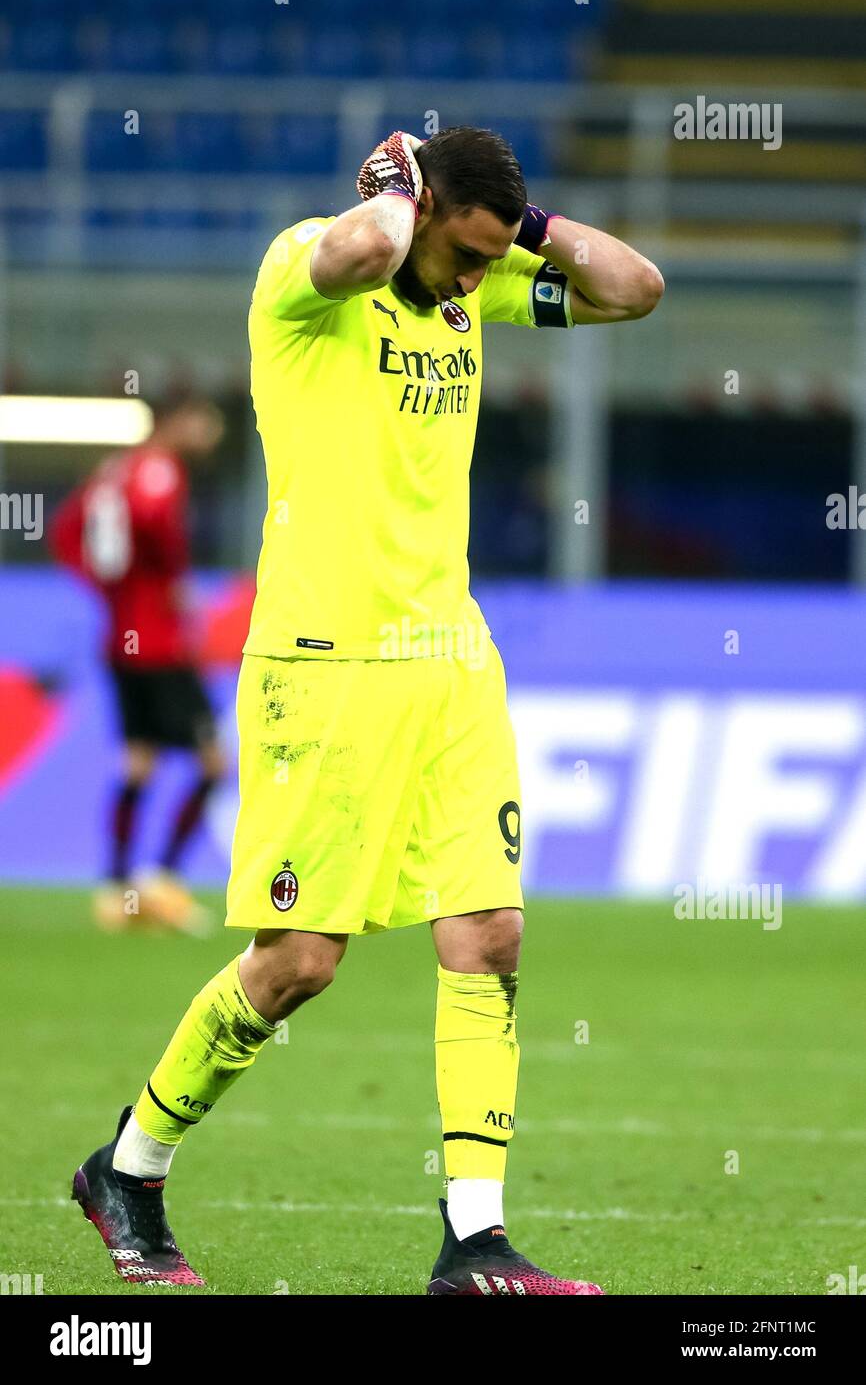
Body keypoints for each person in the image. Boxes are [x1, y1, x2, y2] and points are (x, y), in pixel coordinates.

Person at [71, 128, 663, 1293]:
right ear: (418, 202)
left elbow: (632, 288)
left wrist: (521, 232)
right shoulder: (308, 274)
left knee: (488, 933)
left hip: (450, 659)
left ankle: (474, 1240)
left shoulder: (473, 282)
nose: (472, 275)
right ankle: (128, 1167)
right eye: (463, 248)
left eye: (490, 256)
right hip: (322, 661)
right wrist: (398, 199)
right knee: (297, 962)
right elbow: (366, 247)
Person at [50, 392, 226, 934]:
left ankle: (115, 890)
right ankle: (163, 882)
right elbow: (153, 519)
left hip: (122, 638)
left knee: (138, 762)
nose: (211, 436)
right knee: (214, 763)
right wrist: (171, 584)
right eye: (205, 423)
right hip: (160, 644)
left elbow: (64, 532)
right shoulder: (157, 469)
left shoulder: (115, 468)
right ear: (178, 419)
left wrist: (112, 592)